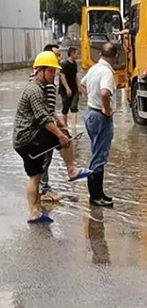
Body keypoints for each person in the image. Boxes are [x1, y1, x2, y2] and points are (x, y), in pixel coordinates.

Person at [13, 51, 91, 223]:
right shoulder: (34, 89)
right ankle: (72, 169)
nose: (53, 75)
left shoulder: (39, 88)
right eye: (50, 71)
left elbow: (48, 113)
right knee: (64, 136)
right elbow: (43, 118)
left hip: (22, 140)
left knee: (36, 175)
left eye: (54, 71)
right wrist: (60, 135)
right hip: (28, 137)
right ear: (39, 70)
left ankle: (34, 212)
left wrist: (59, 122)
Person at [81, 43, 118, 207]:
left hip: (91, 113)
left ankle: (98, 193)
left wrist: (91, 97)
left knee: (97, 153)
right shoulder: (106, 72)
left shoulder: (94, 69)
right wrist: (106, 108)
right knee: (99, 156)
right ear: (115, 56)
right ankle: (95, 196)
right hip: (100, 116)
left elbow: (82, 83)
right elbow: (105, 92)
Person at [35, 44, 64, 202]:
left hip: (49, 121)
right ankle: (43, 189)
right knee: (44, 159)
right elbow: (41, 110)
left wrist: (58, 120)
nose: (57, 60)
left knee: (47, 157)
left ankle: (42, 188)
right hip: (43, 126)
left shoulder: (50, 78)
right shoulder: (39, 83)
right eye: (55, 56)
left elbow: (49, 106)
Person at [59, 47, 81, 129]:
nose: (77, 55)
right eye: (76, 53)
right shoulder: (64, 64)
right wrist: (67, 88)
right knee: (65, 108)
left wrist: (79, 86)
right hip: (65, 90)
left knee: (74, 107)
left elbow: (75, 76)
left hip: (74, 88)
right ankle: (65, 126)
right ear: (72, 53)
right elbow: (62, 76)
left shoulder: (74, 64)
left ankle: (74, 127)